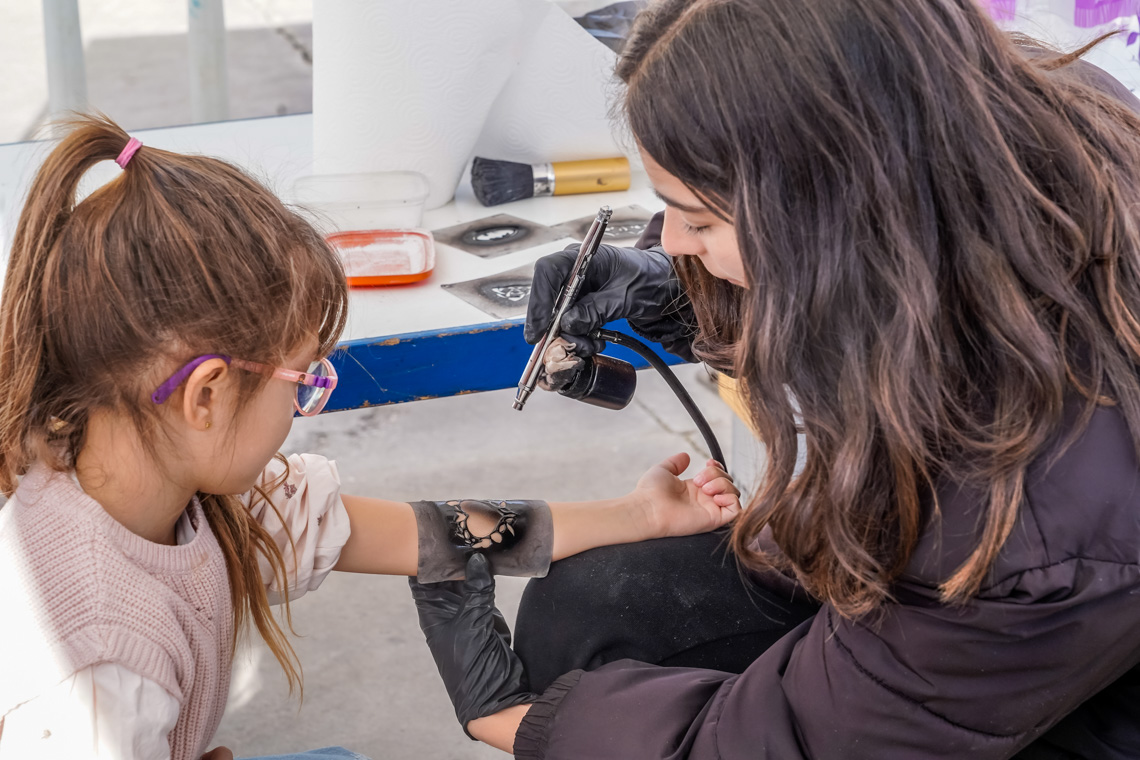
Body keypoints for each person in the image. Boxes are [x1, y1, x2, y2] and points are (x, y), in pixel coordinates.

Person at [407, 0, 1140, 757]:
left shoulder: (1029, 520)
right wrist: (691, 296)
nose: (671, 241)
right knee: (594, 609)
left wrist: (518, 720)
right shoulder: (996, 125)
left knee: (588, 655)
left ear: (824, 214)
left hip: (1063, 689)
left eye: (699, 220)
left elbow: (810, 744)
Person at [0, 114, 742, 760]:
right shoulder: (94, 673)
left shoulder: (179, 491)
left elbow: (433, 534)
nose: (304, 409)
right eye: (304, 381)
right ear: (206, 395)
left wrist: (639, 515)